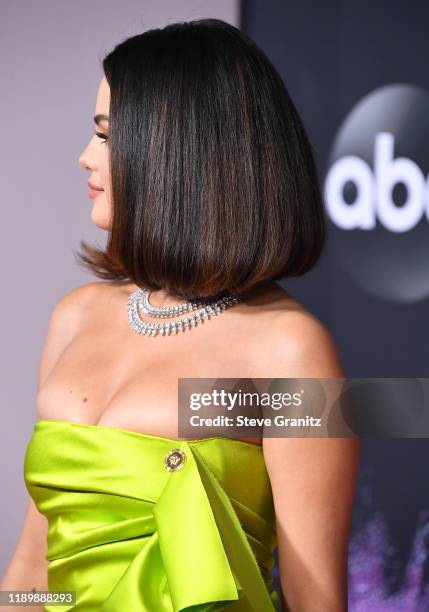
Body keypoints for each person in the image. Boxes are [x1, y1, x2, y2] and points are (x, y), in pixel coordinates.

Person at [1, 18, 360, 612]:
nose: (85, 157)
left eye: (107, 136)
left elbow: (315, 598)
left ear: (174, 155)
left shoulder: (291, 350)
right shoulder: (75, 316)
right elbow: (34, 564)